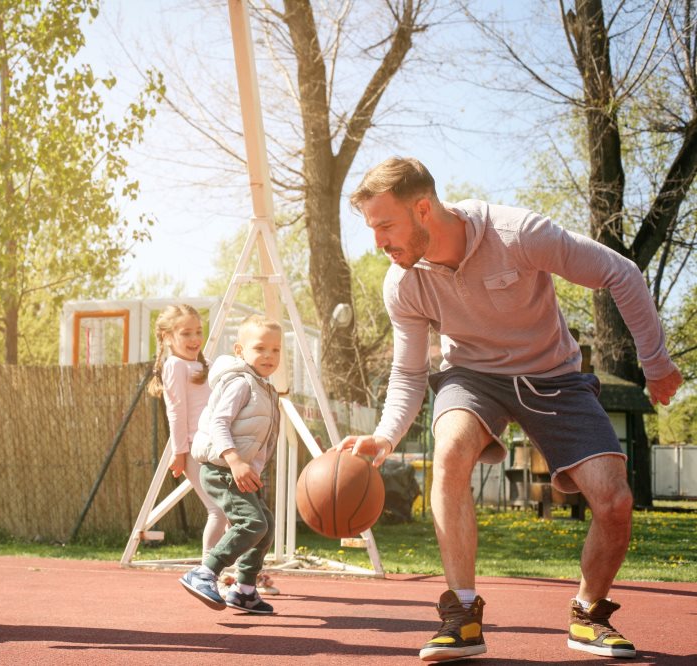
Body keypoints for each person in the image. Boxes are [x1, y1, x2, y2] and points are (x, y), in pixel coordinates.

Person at [338, 156, 682, 661]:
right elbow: (410, 372)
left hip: (555, 377)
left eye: (385, 225)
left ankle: (588, 616)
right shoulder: (403, 283)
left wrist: (655, 362)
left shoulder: (518, 233)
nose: (378, 242)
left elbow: (620, 272)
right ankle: (461, 615)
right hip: (473, 378)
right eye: (372, 229)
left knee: (614, 501)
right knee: (452, 449)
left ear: (424, 209)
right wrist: (387, 435)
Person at [179, 314, 283, 615]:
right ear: (240, 351)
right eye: (260, 348)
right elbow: (219, 423)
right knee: (253, 523)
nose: (268, 355)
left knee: (266, 525)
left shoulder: (264, 388)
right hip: (223, 468)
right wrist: (235, 460)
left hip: (241, 471)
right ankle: (205, 571)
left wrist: (249, 467)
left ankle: (245, 591)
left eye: (276, 350)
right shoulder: (240, 383)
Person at [147, 305, 229, 557]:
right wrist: (179, 452)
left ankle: (237, 571)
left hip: (216, 448)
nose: (194, 339)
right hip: (195, 450)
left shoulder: (208, 365)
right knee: (218, 509)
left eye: (198, 332)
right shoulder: (175, 366)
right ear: (167, 337)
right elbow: (176, 411)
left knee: (233, 512)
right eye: (186, 333)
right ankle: (208, 571)